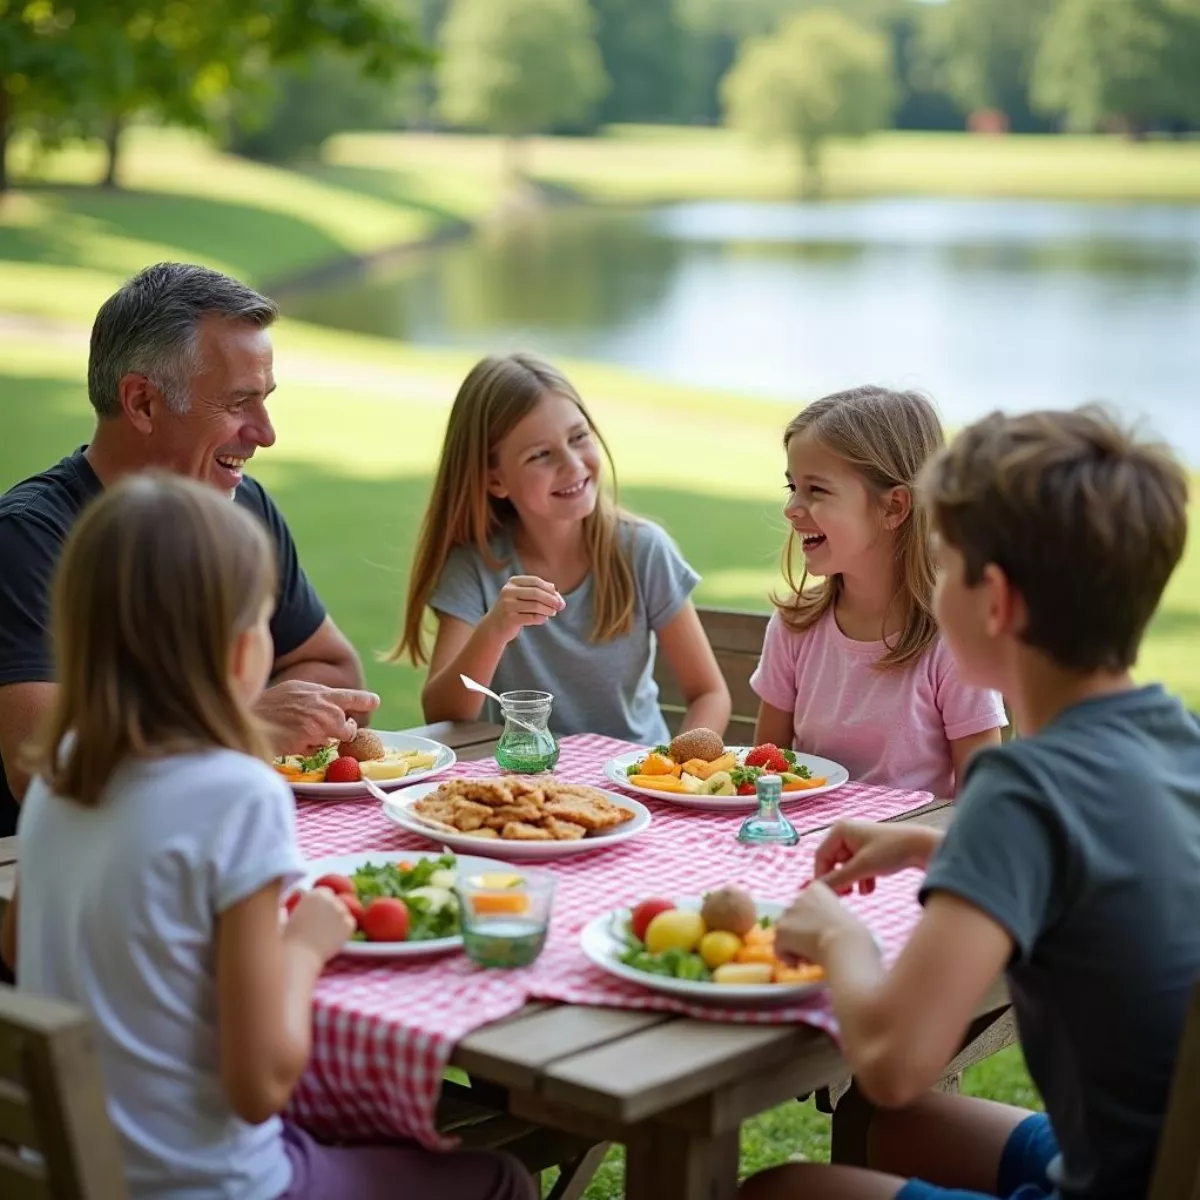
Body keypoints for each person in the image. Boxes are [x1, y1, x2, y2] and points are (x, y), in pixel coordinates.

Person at [0, 475, 533, 1200]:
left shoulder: (61, 768)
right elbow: (259, 1086)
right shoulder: (236, 793)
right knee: (501, 1179)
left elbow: (14, 945)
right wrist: (305, 943)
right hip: (213, 1184)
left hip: (75, 1170)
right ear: (240, 652)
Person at [743, 407, 1200, 1200]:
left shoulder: (1017, 793)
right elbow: (1097, 865)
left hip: (1107, 1186)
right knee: (899, 1131)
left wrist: (839, 935)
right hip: (1148, 1154)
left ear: (996, 603)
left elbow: (889, 1063)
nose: (932, 579)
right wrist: (930, 847)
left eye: (945, 563)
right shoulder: (1176, 739)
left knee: (774, 1191)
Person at [0, 262, 378, 837]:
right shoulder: (29, 539)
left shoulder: (241, 506)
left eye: (265, 399)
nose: (266, 432)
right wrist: (238, 722)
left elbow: (334, 668)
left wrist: (260, 721)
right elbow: (46, 768)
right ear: (143, 403)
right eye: (237, 403)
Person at [391, 352, 730, 745]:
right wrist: (496, 628)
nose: (572, 465)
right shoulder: (475, 566)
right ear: (495, 480)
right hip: (526, 787)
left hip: (632, 785)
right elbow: (442, 713)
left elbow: (710, 693)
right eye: (540, 455)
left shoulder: (643, 551)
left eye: (578, 437)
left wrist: (672, 766)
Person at [750, 386, 1006, 798]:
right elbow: (764, 778)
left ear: (893, 508)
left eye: (816, 490)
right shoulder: (794, 626)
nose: (792, 507)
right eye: (792, 487)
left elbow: (981, 804)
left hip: (907, 855)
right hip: (800, 852)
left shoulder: (954, 642)